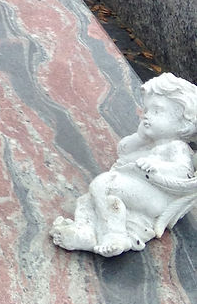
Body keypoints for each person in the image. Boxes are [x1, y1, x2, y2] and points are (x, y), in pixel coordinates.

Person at [51, 73, 197, 257]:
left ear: (183, 124)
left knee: (104, 184)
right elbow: (123, 151)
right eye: (146, 110)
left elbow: (183, 172)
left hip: (156, 197)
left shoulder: (176, 147)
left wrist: (157, 167)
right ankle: (85, 232)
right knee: (89, 201)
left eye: (157, 111)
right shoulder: (149, 144)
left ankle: (116, 235)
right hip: (137, 190)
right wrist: (140, 137)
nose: (147, 116)